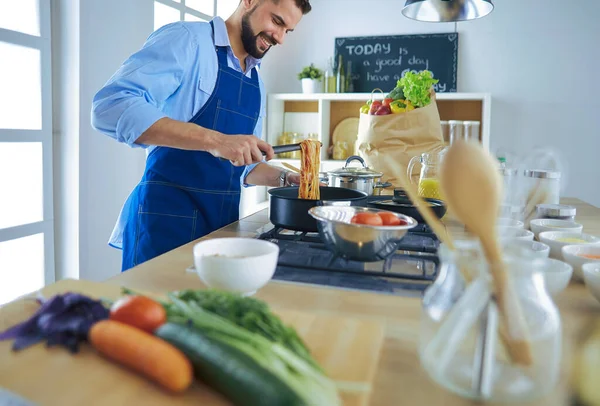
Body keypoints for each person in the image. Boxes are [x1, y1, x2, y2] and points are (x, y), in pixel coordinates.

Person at [91, 0, 312, 271]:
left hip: (220, 232)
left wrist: (283, 178)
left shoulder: (256, 81)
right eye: (277, 21)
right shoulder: (188, 41)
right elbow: (110, 106)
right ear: (250, 2)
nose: (279, 38)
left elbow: (242, 165)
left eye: (287, 31)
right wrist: (216, 141)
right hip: (163, 224)